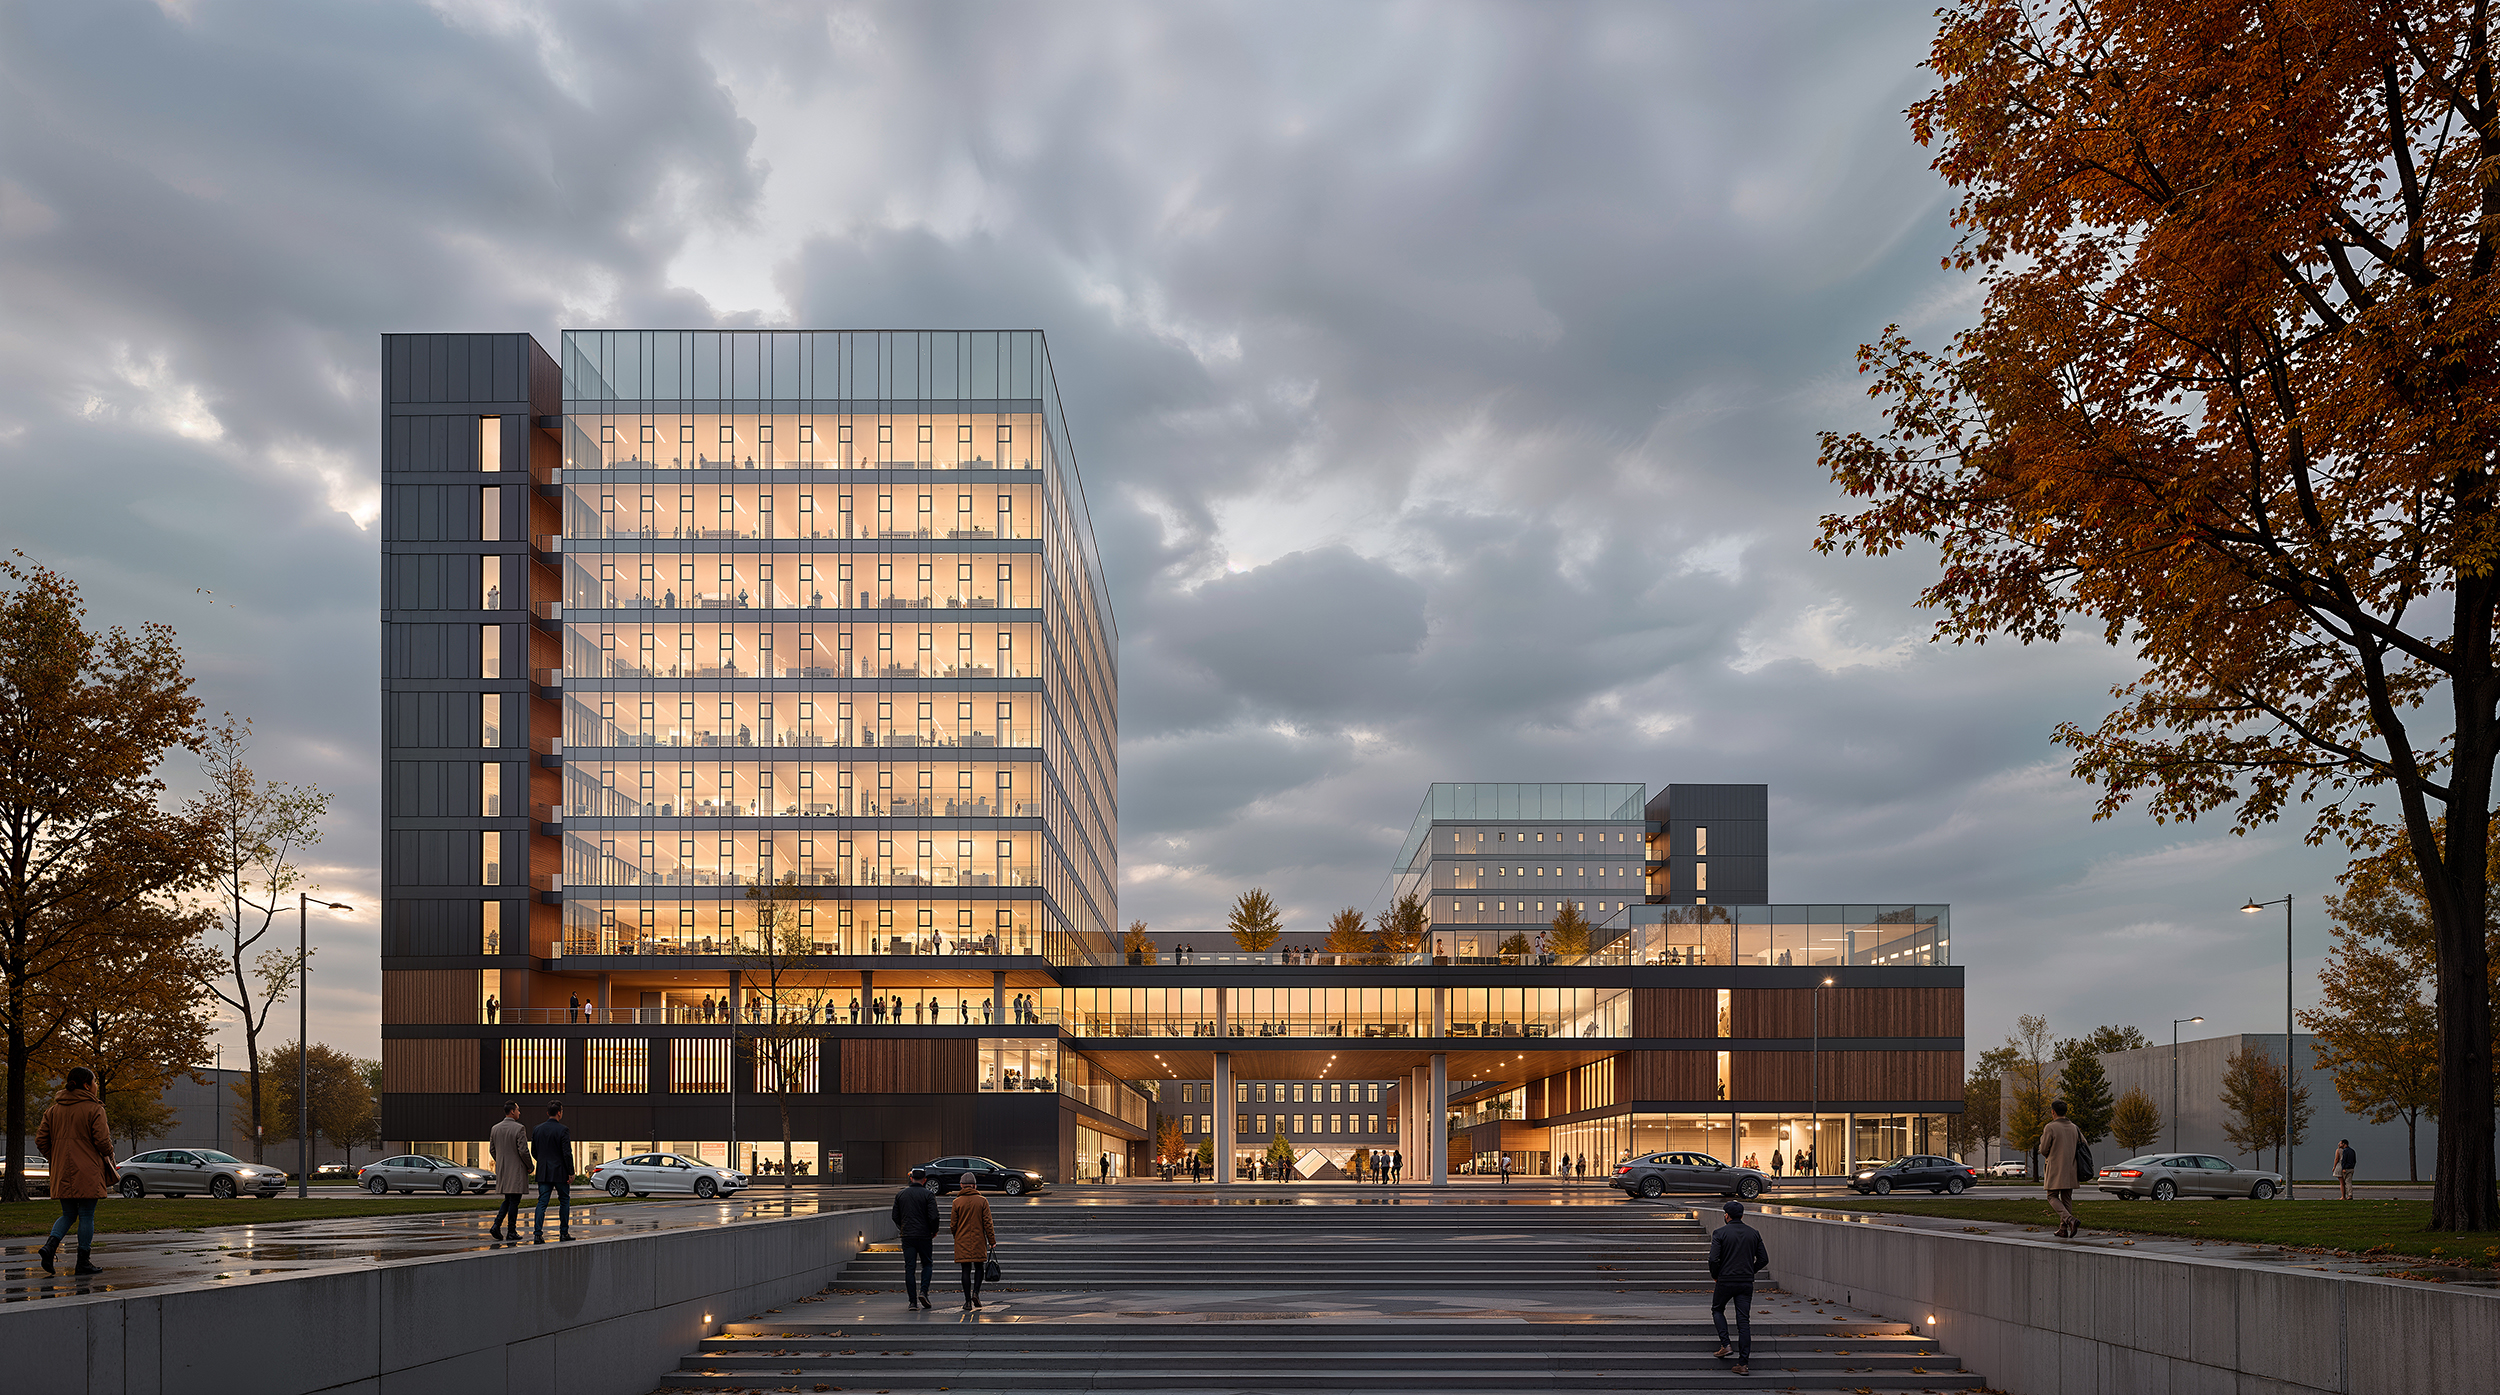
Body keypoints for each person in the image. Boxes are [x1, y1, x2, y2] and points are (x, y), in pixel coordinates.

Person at [34, 1066, 114, 1276]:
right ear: (87, 1085)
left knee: (68, 1213)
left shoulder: (53, 1110)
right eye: (95, 1082)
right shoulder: (95, 1109)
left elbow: (40, 1140)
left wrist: (56, 1158)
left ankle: (50, 1247)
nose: (96, 1086)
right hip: (88, 1171)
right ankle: (83, 1262)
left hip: (63, 1171)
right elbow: (103, 1142)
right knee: (86, 1214)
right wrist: (109, 1153)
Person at [1707, 1199, 1770, 1376]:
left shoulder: (1720, 1233)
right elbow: (1764, 1259)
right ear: (1742, 1215)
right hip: (1745, 1282)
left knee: (1717, 1309)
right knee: (1744, 1322)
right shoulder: (1753, 1233)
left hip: (1725, 1280)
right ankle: (1743, 1364)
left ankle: (1725, 1344)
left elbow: (1713, 1259)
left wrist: (1715, 1275)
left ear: (1726, 1215)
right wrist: (1751, 1270)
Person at [893, 1168, 939, 1309]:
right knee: (927, 1264)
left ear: (911, 1179)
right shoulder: (928, 1195)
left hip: (907, 1235)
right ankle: (923, 1292)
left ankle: (912, 1301)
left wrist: (903, 1227)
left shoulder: (901, 1195)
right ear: (924, 1180)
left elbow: (895, 1216)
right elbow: (934, 1216)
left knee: (910, 1268)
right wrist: (933, 1230)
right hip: (924, 1235)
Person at [2039, 1097, 2084, 1239]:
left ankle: (2070, 1220)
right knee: (2067, 1198)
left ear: (2053, 1112)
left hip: (2055, 1167)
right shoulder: (2074, 1128)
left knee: (2051, 1196)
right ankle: (2063, 1229)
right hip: (2071, 1167)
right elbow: (2083, 1144)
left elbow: (2044, 1149)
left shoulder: (2050, 1127)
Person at [531, 1102, 575, 1242]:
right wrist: (571, 1172)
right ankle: (563, 1233)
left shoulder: (537, 1129)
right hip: (560, 1171)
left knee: (542, 1202)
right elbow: (567, 1153)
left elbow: (534, 1151)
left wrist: (543, 1162)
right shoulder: (563, 1130)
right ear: (559, 1113)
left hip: (543, 1171)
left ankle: (538, 1234)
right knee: (564, 1201)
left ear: (547, 1113)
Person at [951, 1177, 996, 1309]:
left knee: (965, 1269)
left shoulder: (956, 1202)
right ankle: (976, 1292)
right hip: (978, 1239)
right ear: (975, 1186)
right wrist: (991, 1240)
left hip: (962, 1239)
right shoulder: (982, 1201)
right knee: (979, 1267)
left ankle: (967, 1301)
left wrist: (957, 1236)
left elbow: (953, 1224)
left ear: (961, 1185)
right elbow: (988, 1223)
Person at [488, 1100, 529, 1242]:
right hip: (516, 1170)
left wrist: (501, 1161)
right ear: (512, 1111)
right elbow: (523, 1151)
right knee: (514, 1201)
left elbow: (492, 1150)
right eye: (518, 1110)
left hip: (503, 1170)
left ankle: (496, 1225)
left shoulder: (495, 1128)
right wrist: (529, 1165)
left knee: (508, 1199)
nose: (519, 1112)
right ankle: (511, 1230)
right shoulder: (519, 1128)